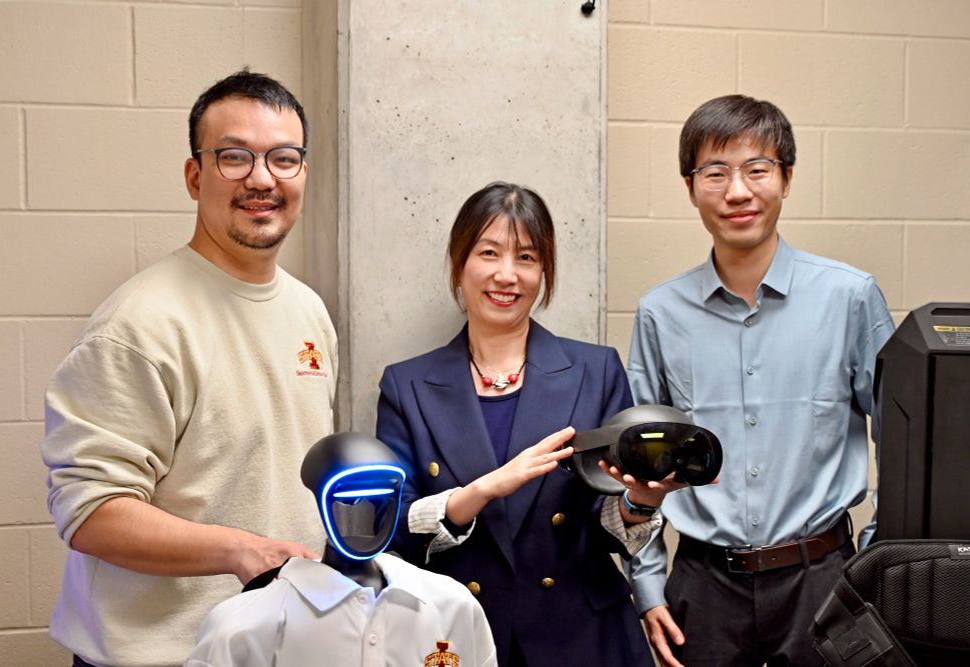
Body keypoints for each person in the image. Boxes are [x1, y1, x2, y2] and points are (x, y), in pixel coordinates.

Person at [40, 70, 337, 667]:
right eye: (234, 157)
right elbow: (90, 512)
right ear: (195, 176)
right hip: (164, 657)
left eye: (283, 159)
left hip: (279, 647)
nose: (261, 179)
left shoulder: (309, 311)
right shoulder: (139, 323)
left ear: (302, 173)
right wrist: (242, 551)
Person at [625, 94, 896, 667]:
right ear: (690, 185)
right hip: (702, 585)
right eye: (715, 172)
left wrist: (873, 564)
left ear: (787, 178)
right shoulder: (660, 313)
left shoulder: (850, 297)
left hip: (826, 580)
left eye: (757, 169)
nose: (738, 191)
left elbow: (901, 443)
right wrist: (648, 587)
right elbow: (641, 467)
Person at [375, 182, 682, 667]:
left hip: (581, 638)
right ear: (459, 263)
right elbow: (390, 530)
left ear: (544, 271)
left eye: (526, 257)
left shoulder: (596, 371)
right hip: (457, 635)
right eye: (489, 252)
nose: (506, 275)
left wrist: (641, 501)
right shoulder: (407, 385)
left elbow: (603, 523)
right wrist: (481, 490)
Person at [186, 432, 497, 667]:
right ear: (319, 500)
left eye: (379, 499)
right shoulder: (243, 625)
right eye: (347, 501)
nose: (362, 515)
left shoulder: (454, 605)